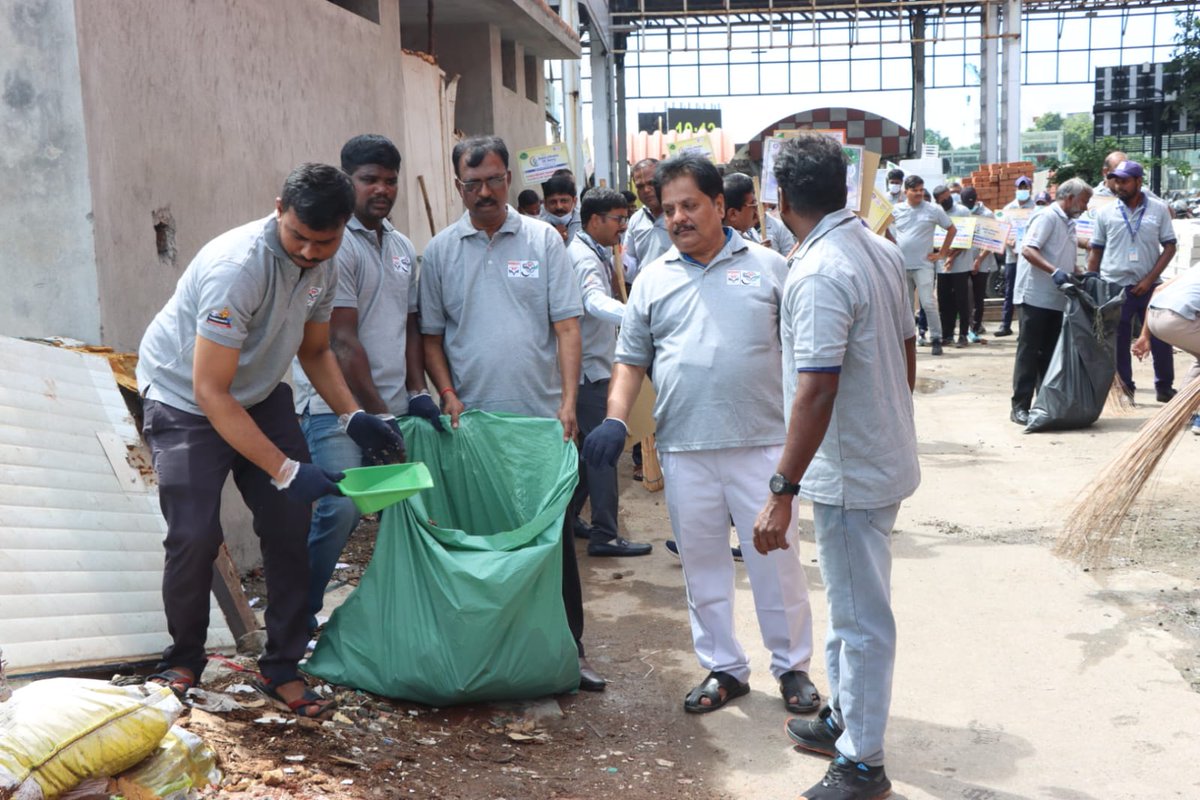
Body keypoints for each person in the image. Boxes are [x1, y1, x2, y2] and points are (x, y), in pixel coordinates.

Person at [135, 163, 405, 718]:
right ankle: (183, 659)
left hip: (258, 392)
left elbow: (314, 351)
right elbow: (211, 392)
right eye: (298, 236)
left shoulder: (327, 264)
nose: (308, 251)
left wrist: (354, 417)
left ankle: (281, 666)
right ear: (279, 207)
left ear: (341, 231)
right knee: (194, 533)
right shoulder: (238, 269)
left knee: (290, 523)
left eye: (322, 242)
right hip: (185, 398)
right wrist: (284, 468)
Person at [582, 154, 818, 718]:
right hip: (685, 448)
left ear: (719, 204)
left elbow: (806, 358)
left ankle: (792, 668)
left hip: (762, 445)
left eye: (690, 205)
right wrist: (616, 418)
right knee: (703, 566)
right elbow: (630, 360)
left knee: (775, 563)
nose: (679, 218)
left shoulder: (770, 268)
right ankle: (725, 668)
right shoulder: (653, 279)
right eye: (668, 209)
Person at [757, 134, 919, 800]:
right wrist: (888, 417)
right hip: (875, 454)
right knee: (851, 603)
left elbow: (817, 388)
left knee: (859, 618)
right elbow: (907, 351)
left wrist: (782, 489)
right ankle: (844, 719)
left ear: (782, 197)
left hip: (853, 471)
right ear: (846, 191)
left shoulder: (821, 269)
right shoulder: (877, 248)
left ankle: (862, 761)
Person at [418, 135, 605, 691]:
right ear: (458, 187)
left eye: (494, 180)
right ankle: (498, 657)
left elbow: (567, 326)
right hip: (473, 428)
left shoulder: (545, 241)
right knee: (489, 544)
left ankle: (571, 651)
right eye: (472, 184)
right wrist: (448, 393)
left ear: (509, 180)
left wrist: (568, 402)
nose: (484, 193)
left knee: (552, 542)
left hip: (541, 424)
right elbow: (430, 337)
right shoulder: (441, 252)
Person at [291, 135, 444, 634]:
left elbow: (408, 327)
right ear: (347, 180)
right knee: (338, 508)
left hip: (389, 407)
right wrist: (374, 414)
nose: (381, 189)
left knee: (393, 514)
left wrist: (417, 392)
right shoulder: (338, 247)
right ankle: (303, 614)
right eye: (369, 179)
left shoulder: (400, 247)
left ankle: (392, 615)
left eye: (389, 180)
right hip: (335, 408)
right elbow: (340, 341)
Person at [565, 188, 652, 558]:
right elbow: (592, 302)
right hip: (589, 373)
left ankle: (569, 520)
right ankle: (605, 534)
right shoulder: (583, 257)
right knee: (603, 455)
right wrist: (636, 315)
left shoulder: (596, 251)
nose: (623, 225)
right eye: (618, 218)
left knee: (588, 455)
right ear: (594, 219)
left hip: (597, 365)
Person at [1087, 160, 1178, 403]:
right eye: (1116, 180)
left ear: (1139, 182)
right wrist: (1091, 283)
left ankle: (1164, 387)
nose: (1119, 186)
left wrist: (1149, 280)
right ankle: (1126, 389)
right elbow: (1096, 250)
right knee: (1118, 340)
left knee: (1160, 335)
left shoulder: (1158, 210)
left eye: (1125, 181)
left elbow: (1170, 246)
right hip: (1115, 286)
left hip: (1150, 285)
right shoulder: (1105, 213)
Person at [1009, 179, 1093, 424]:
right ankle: (1020, 407)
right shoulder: (1046, 217)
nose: (1086, 207)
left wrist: (1078, 271)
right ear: (1069, 198)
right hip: (1035, 296)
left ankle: (1044, 404)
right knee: (1029, 353)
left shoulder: (1068, 222)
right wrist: (1054, 271)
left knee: (1048, 355)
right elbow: (1028, 250)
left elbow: (1061, 256)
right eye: (1084, 201)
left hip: (1056, 299)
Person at [889, 175, 956, 356]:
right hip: (902, 265)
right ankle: (909, 340)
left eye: (921, 190)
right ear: (906, 192)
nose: (919, 193)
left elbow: (952, 229)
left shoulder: (933, 210)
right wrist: (891, 246)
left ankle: (936, 338)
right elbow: (881, 225)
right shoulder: (896, 210)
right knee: (907, 305)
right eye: (915, 190)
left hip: (924, 265)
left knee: (928, 302)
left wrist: (942, 253)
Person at [1133, 265, 1200, 433]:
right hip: (1179, 319)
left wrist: (1145, 335)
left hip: (1156, 316)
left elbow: (1158, 289)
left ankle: (1184, 410)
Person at [995, 176, 1038, 337]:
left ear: (1030, 189)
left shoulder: (1035, 209)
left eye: (1025, 187)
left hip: (1028, 258)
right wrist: (1009, 241)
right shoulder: (1007, 210)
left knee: (1027, 293)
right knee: (1010, 291)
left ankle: (1024, 329)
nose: (1022, 190)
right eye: (1020, 187)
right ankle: (1005, 325)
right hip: (1011, 258)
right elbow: (1002, 231)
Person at [933, 185, 973, 348]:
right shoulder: (935, 212)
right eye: (941, 199)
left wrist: (951, 255)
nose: (945, 200)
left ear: (949, 194)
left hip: (960, 265)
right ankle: (947, 334)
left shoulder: (963, 211)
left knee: (962, 300)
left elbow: (967, 238)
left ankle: (963, 335)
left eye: (946, 196)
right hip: (942, 266)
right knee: (944, 301)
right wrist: (942, 254)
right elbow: (932, 237)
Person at [623, 157, 673, 284]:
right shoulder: (636, 220)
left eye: (651, 183)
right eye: (640, 186)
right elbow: (631, 263)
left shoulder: (680, 216)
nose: (646, 190)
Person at [960, 188, 996, 338]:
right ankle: (967, 327)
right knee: (965, 296)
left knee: (978, 297)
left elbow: (992, 240)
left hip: (982, 261)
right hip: (963, 260)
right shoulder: (961, 212)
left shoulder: (987, 215)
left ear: (976, 200)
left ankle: (975, 328)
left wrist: (979, 260)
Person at [541, 174, 581, 244]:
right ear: (545, 204)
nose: (559, 207)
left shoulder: (586, 225)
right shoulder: (538, 228)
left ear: (574, 201)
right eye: (553, 202)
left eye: (564, 201)